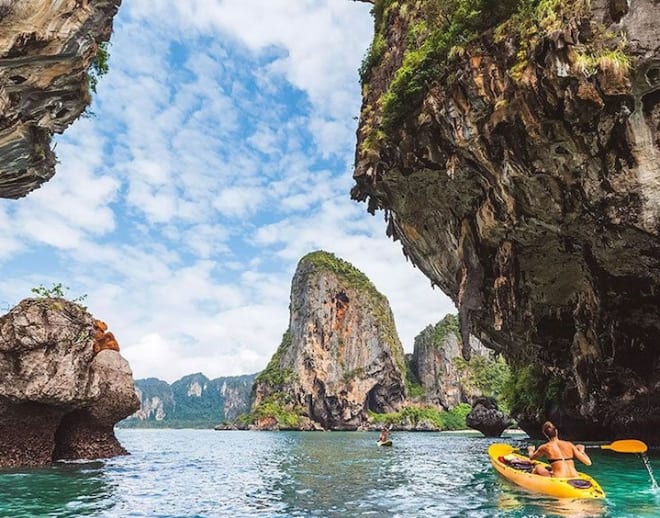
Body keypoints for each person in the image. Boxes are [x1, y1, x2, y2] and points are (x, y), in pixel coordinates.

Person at [527, 421, 592, 477]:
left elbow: (531, 458)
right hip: (574, 475)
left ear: (545, 434)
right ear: (556, 431)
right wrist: (582, 451)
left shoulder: (545, 447)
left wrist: (531, 450)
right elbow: (588, 463)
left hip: (559, 476)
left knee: (537, 467)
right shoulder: (569, 444)